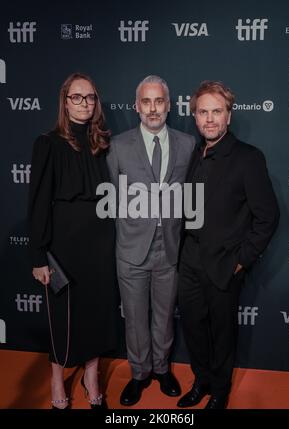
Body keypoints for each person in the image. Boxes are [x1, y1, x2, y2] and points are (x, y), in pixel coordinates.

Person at [177, 80, 280, 409]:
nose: (209, 119)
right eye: (203, 112)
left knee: (222, 334)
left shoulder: (248, 158)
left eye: (216, 112)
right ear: (195, 117)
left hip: (224, 264)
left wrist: (241, 260)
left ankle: (220, 390)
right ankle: (202, 380)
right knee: (193, 328)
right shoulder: (192, 154)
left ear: (229, 116)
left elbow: (268, 217)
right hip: (189, 259)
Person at [28, 72, 119, 409]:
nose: (85, 103)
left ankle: (91, 376)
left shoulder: (102, 145)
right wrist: (38, 256)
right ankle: (56, 379)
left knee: (96, 313)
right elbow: (38, 203)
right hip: (64, 246)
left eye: (91, 97)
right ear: (65, 101)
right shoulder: (48, 144)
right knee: (63, 318)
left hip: (100, 244)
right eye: (77, 97)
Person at [107, 75, 195, 406]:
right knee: (134, 318)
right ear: (136, 106)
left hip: (170, 249)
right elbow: (111, 198)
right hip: (131, 251)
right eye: (147, 101)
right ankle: (139, 373)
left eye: (159, 101)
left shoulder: (187, 144)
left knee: (163, 316)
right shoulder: (117, 146)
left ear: (169, 106)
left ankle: (161, 369)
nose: (153, 108)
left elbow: (189, 196)